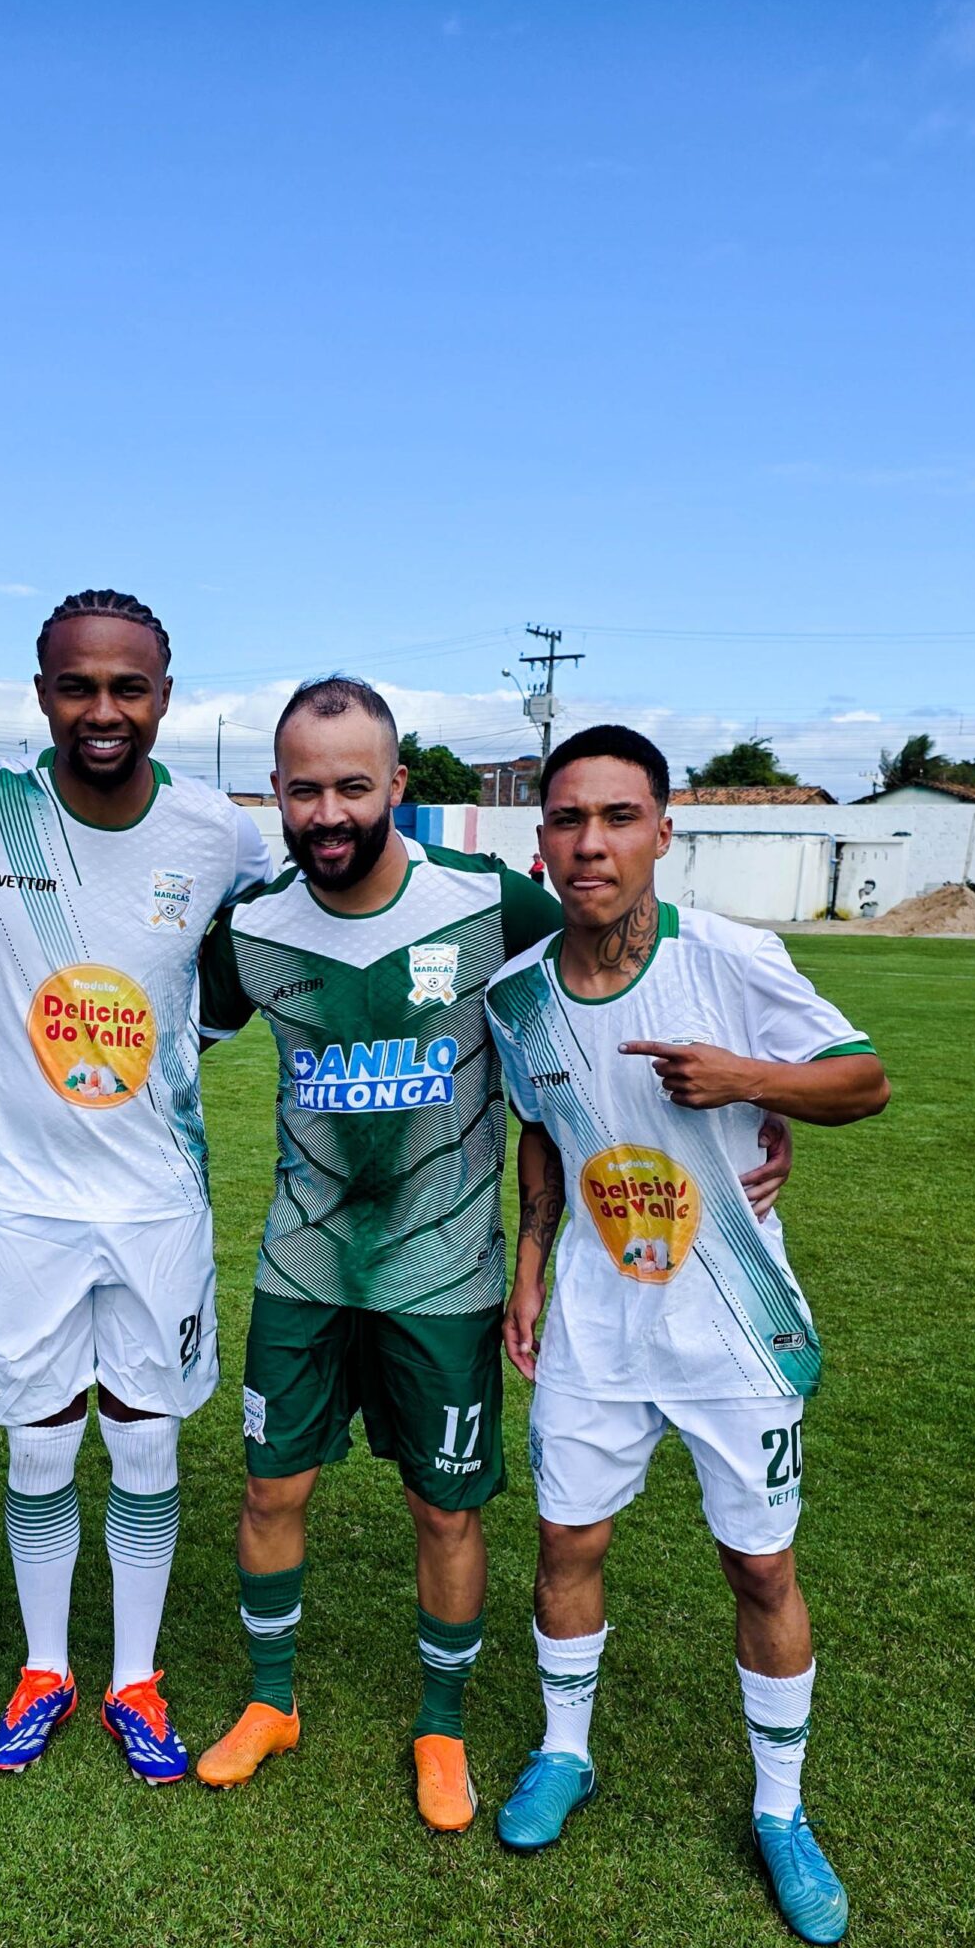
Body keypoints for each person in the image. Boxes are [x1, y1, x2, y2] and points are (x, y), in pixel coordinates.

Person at [193, 682, 794, 1832]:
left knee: (443, 1508)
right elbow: (172, 1032)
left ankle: (442, 1725)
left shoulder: (485, 901)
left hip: (444, 1277)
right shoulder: (254, 926)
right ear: (275, 793)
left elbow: (612, 977)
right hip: (302, 1267)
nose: (329, 811)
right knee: (271, 1487)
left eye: (353, 785)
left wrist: (756, 1107)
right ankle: (270, 1702)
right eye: (305, 789)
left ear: (397, 785)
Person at [485, 723, 889, 1941]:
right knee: (567, 1543)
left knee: (760, 1566)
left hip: (735, 1328)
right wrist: (530, 1266)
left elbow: (862, 1079)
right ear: (542, 839)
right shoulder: (517, 996)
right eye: (568, 818)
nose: (591, 843)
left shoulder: (731, 958)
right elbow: (542, 1127)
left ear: (662, 832)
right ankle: (564, 1752)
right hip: (597, 1328)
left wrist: (748, 1079)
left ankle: (781, 1811)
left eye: (618, 817)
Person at [0, 591, 271, 1782]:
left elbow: (270, 949)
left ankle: (136, 1680)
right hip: (23, 1203)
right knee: (36, 1449)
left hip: (157, 1200)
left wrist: (187, 1041)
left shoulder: (219, 833)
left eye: (127, 687)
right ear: (42, 693)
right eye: (77, 685)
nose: (101, 709)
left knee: (148, 1440)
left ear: (163, 697)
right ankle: (45, 1668)